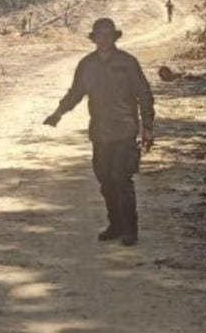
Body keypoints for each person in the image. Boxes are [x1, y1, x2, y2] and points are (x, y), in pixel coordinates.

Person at [44, 18, 155, 246]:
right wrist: (58, 113)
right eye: (99, 35)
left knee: (122, 179)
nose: (104, 39)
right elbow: (75, 93)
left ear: (115, 37)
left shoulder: (127, 62)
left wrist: (148, 127)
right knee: (105, 180)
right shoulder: (87, 64)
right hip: (100, 133)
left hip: (124, 131)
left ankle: (129, 229)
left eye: (108, 34)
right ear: (93, 38)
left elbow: (144, 94)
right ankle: (115, 224)